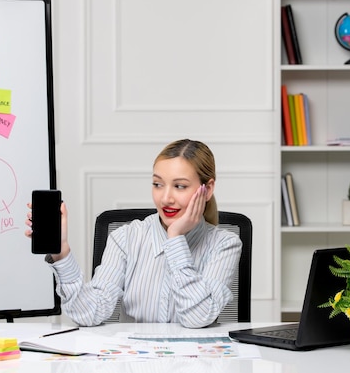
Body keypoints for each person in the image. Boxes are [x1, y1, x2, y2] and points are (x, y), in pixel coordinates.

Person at [25, 139, 242, 328]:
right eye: (158, 184)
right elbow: (90, 313)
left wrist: (175, 238)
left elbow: (197, 317)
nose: (166, 198)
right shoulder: (126, 238)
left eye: (180, 186)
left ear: (208, 189)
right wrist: (62, 255)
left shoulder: (225, 244)